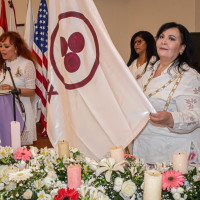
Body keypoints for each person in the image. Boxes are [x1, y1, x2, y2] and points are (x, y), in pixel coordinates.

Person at [133, 22, 200, 164]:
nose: (164, 41)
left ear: (182, 48)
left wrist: (171, 119)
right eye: (161, 36)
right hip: (145, 149)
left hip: (175, 154)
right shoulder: (149, 71)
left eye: (171, 38)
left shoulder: (189, 76)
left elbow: (197, 114)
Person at [0, 31, 37, 145]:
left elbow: (31, 92)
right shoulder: (1, 65)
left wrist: (12, 89)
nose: (2, 49)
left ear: (16, 47)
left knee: (21, 153)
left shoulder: (26, 64)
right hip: (2, 115)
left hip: (20, 113)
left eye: (6, 46)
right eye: (0, 46)